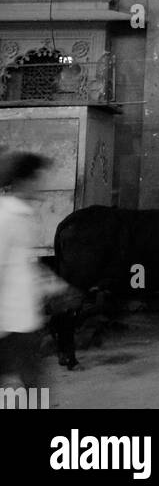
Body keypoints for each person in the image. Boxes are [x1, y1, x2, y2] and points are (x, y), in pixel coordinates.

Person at [0, 152, 64, 390]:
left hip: (26, 324)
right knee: (28, 395)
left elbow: (23, 265)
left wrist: (54, 285)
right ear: (24, 180)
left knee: (33, 393)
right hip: (11, 327)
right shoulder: (6, 217)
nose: (42, 183)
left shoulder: (23, 215)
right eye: (38, 177)